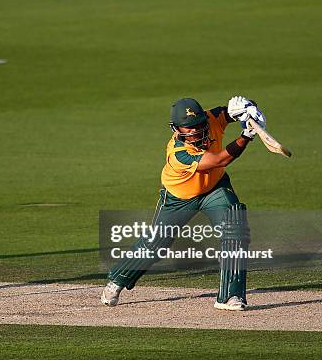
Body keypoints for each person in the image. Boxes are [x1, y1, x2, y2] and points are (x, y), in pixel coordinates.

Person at [101, 96, 266, 311]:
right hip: (179, 198)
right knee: (155, 245)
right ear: (176, 129)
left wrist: (248, 109)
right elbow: (219, 160)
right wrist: (246, 136)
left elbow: (229, 112)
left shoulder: (211, 118)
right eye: (189, 128)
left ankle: (230, 297)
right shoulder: (178, 153)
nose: (196, 131)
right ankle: (118, 280)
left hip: (214, 188)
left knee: (234, 229)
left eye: (198, 125)